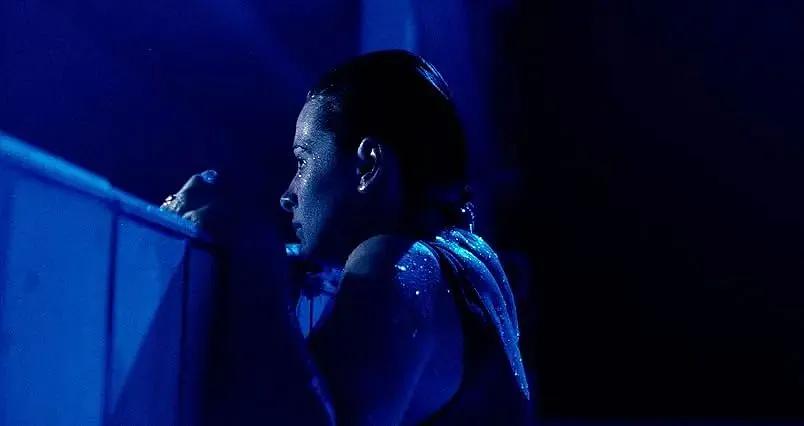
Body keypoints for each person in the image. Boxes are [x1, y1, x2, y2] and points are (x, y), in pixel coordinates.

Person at [163, 50, 530, 425]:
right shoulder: (474, 259)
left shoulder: (394, 260)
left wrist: (255, 253)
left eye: (303, 161)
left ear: (368, 165)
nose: (288, 195)